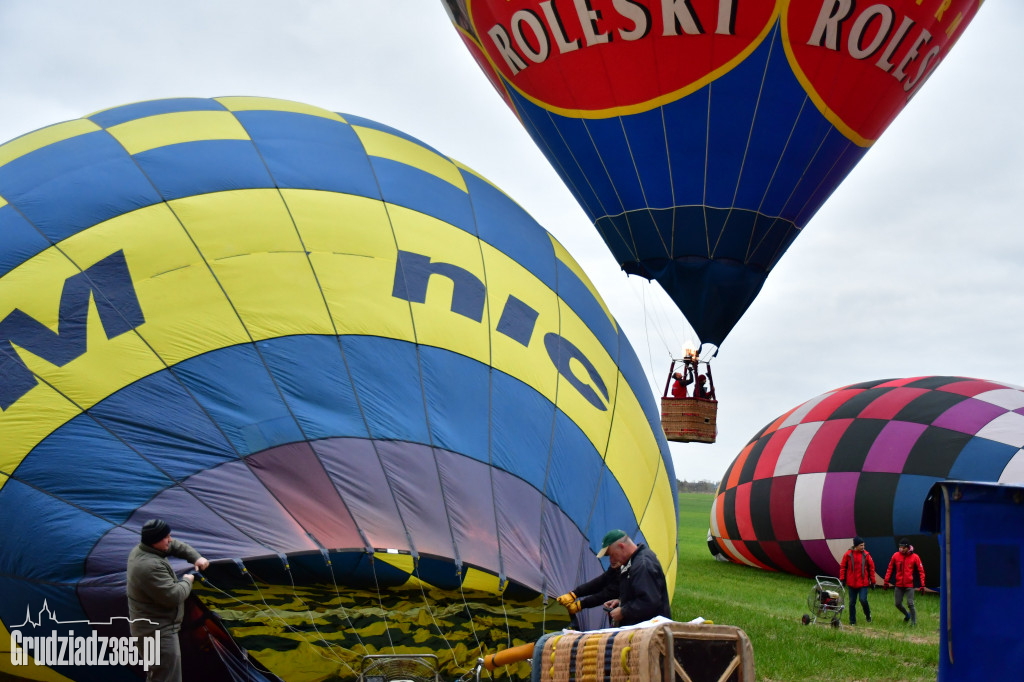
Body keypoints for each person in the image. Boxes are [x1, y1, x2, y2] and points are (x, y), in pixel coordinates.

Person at [126, 519, 210, 682]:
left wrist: (195, 557)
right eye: (166, 537)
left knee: (160, 675)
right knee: (167, 678)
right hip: (157, 633)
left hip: (153, 627)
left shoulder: (146, 549)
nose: (170, 540)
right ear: (155, 540)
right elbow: (174, 596)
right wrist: (187, 580)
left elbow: (174, 545)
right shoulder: (147, 566)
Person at [558, 530, 671, 627]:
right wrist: (621, 602)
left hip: (650, 632)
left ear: (621, 546)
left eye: (612, 554)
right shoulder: (629, 563)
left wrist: (623, 611)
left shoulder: (642, 565)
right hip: (641, 630)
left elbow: (649, 602)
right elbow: (604, 581)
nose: (611, 559)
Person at [884, 538, 925, 626]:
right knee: (897, 603)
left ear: (908, 547)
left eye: (903, 547)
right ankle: (907, 614)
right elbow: (890, 568)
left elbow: (921, 571)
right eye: (900, 547)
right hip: (899, 584)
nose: (901, 549)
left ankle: (913, 623)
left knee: (910, 603)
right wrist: (886, 581)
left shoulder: (915, 557)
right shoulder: (895, 555)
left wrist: (922, 585)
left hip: (910, 585)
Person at [839, 536, 875, 625]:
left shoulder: (866, 555)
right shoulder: (848, 555)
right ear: (856, 546)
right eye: (861, 545)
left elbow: (871, 568)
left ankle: (868, 615)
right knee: (852, 602)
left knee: (863, 600)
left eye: (863, 545)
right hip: (852, 583)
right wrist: (842, 579)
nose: (863, 547)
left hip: (863, 583)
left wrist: (873, 582)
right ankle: (852, 621)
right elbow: (843, 567)